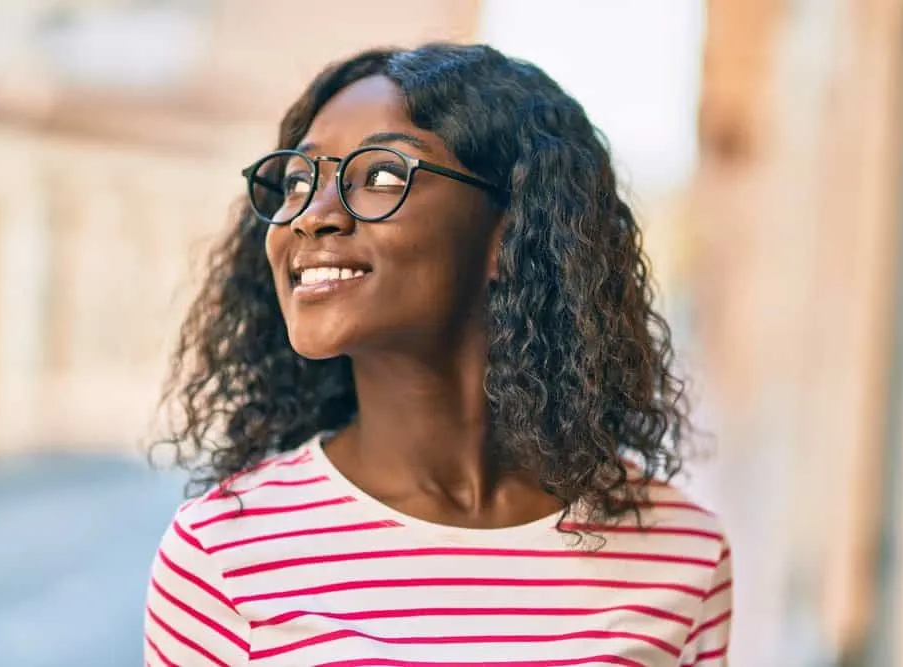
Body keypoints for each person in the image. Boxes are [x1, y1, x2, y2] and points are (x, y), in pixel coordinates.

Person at [143, 43, 732, 666]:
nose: (312, 216)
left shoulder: (682, 553)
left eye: (383, 176)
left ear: (510, 231)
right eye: (298, 181)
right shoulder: (222, 560)